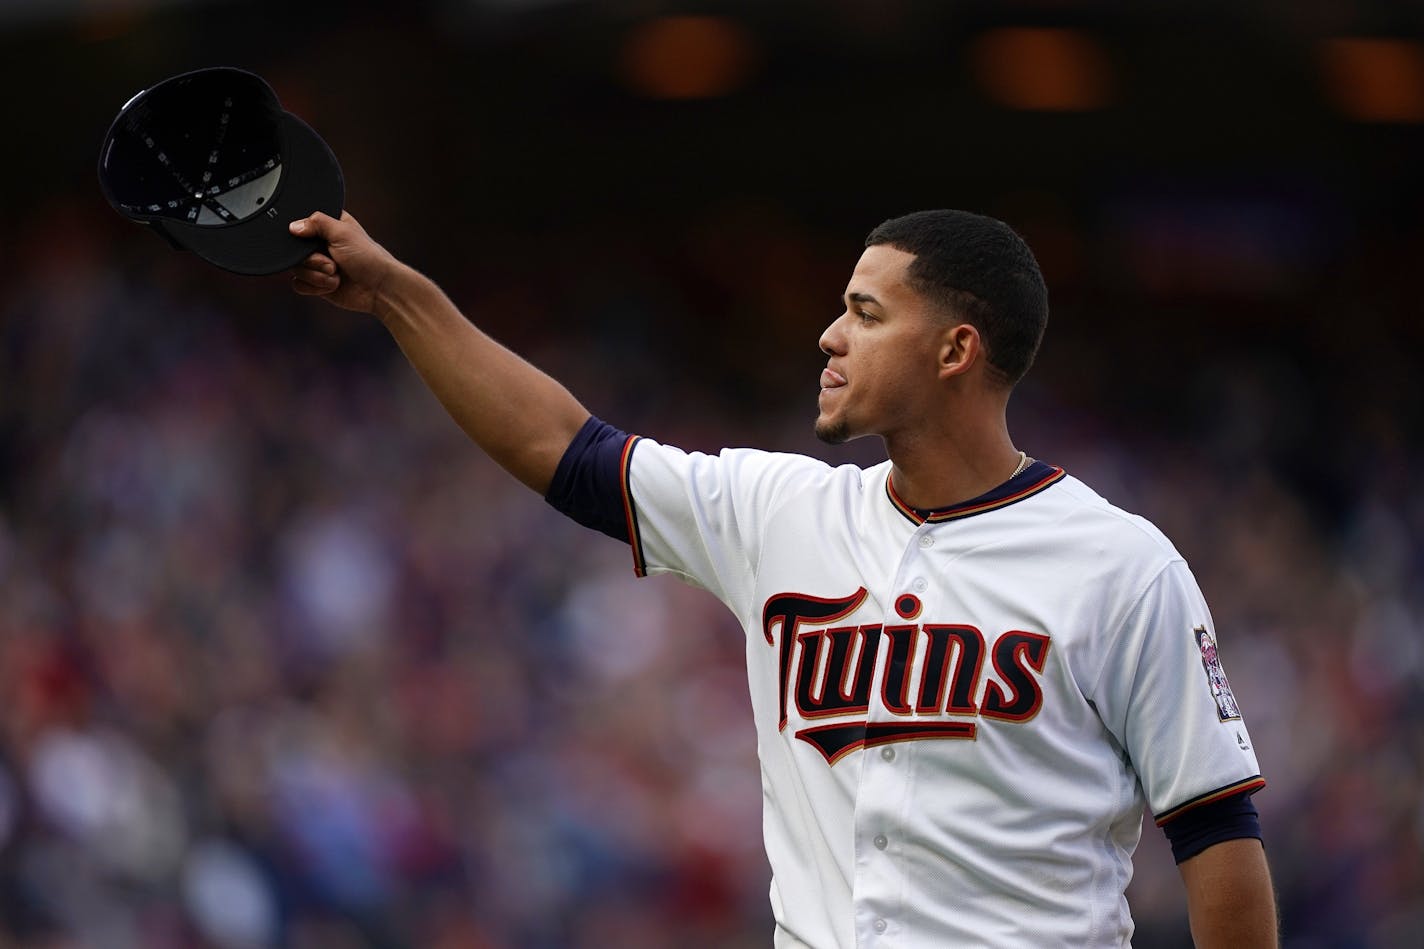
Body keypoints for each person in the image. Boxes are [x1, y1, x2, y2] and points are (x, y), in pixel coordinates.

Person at [287, 207, 1278, 947]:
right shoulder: (781, 511)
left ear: (953, 350)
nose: (827, 335)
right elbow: (562, 447)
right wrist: (394, 295)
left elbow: (1216, 841)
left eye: (862, 311)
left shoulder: (1119, 563)